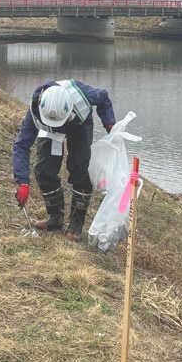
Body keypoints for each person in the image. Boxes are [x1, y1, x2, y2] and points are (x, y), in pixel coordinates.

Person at [12, 80, 116, 241]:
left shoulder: (82, 95)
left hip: (80, 122)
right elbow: (21, 145)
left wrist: (110, 125)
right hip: (50, 128)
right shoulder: (36, 110)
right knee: (44, 170)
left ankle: (76, 223)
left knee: (80, 169)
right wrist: (23, 182)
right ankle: (55, 217)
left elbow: (104, 98)